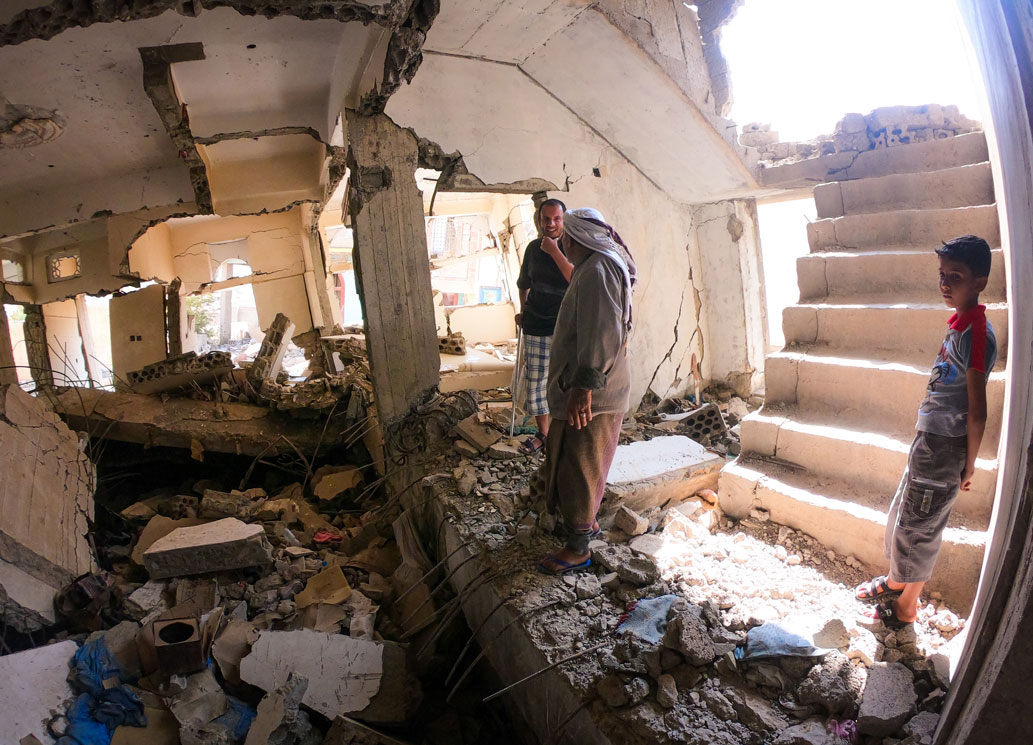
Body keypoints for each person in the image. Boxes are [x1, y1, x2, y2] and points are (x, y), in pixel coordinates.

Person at [856, 235, 997, 627]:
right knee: (909, 516)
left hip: (945, 447)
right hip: (931, 440)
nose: (946, 285)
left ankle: (904, 605)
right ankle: (896, 586)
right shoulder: (961, 325)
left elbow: (978, 410)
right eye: (942, 276)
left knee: (920, 526)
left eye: (956, 276)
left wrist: (969, 464)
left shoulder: (977, 336)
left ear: (980, 281)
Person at [536, 208, 636, 574]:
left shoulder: (595, 271)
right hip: (591, 389)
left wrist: (584, 388)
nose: (563, 243)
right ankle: (587, 521)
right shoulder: (596, 266)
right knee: (581, 462)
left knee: (579, 465)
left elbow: (601, 334)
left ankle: (578, 547)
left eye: (566, 239)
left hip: (593, 394)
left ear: (576, 239)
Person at [514, 198, 573, 454]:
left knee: (565, 382)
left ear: (564, 219)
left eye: (556, 219)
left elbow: (573, 277)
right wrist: (523, 310)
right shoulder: (531, 248)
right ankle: (543, 435)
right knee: (536, 381)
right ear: (539, 220)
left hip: (565, 325)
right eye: (546, 219)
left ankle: (567, 435)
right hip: (536, 322)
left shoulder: (574, 246)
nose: (551, 224)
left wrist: (555, 250)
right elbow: (524, 283)